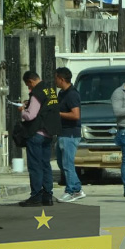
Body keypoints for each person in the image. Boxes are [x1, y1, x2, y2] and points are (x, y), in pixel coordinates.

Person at [17, 71, 60, 207]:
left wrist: (22, 110)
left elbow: (31, 115)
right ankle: (48, 195)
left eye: (28, 85)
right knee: (45, 165)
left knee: (35, 166)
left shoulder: (37, 92)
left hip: (36, 134)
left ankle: (36, 195)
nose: (29, 88)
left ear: (31, 81)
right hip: (48, 133)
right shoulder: (50, 90)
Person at [54, 67, 85, 203]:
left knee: (67, 164)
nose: (55, 81)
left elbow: (75, 115)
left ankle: (73, 190)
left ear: (61, 79)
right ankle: (74, 188)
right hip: (62, 133)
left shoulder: (72, 94)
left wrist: (58, 114)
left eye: (56, 78)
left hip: (70, 134)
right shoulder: (62, 93)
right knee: (62, 163)